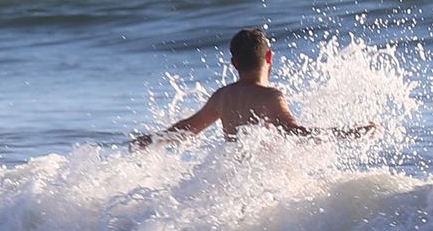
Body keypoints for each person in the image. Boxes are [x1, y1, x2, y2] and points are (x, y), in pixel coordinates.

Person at [132, 28, 377, 147]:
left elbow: (187, 129)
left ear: (234, 63)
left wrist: (151, 140)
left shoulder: (222, 96)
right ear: (269, 57)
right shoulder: (270, 96)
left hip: (235, 178)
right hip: (264, 185)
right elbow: (294, 132)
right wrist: (350, 132)